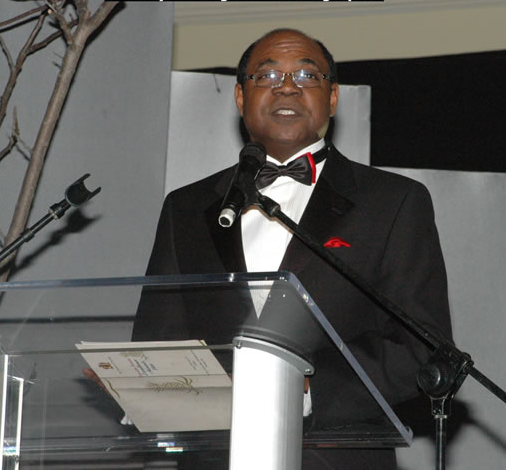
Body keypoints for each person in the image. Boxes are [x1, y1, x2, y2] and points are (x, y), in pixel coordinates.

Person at [132, 28, 453, 469]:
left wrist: (300, 390)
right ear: (241, 98)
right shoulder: (186, 208)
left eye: (306, 74)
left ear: (333, 97)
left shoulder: (394, 202)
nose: (287, 86)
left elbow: (421, 347)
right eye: (267, 76)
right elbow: (159, 340)